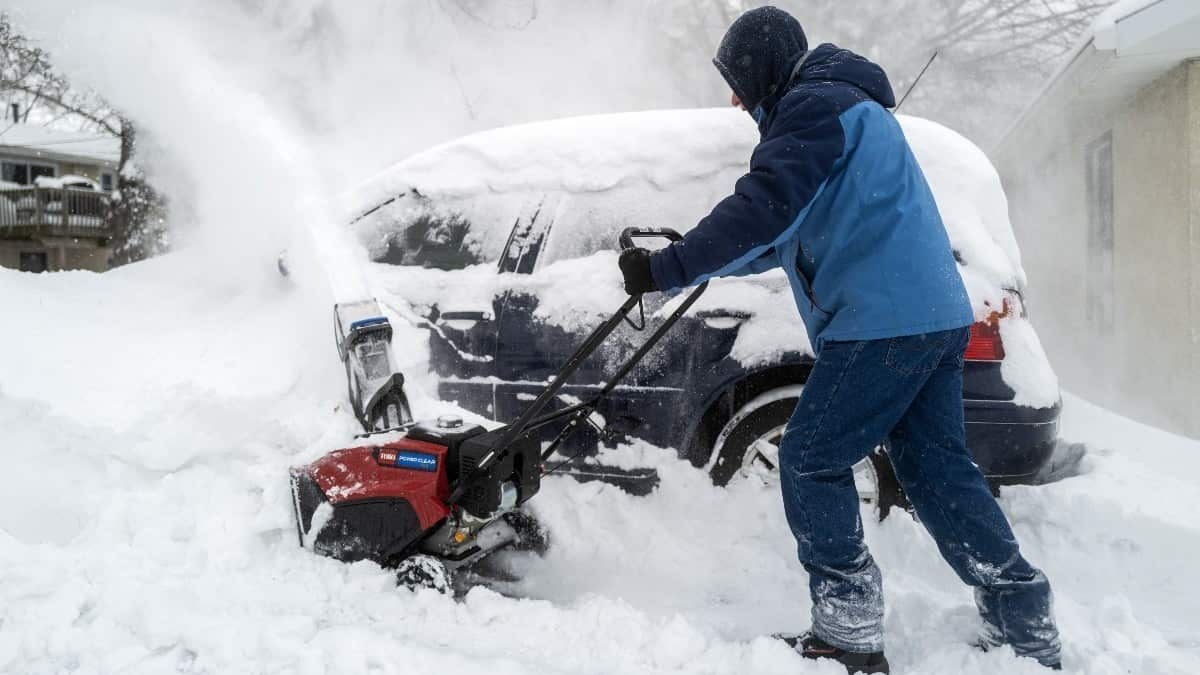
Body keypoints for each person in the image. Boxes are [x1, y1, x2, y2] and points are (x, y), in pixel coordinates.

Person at [617, 6, 1061, 674]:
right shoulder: (843, 106)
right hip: (932, 314)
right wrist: (686, 263)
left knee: (809, 458)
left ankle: (848, 630)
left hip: (884, 323)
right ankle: (1023, 618)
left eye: (738, 81)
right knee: (936, 468)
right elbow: (779, 232)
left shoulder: (812, 107)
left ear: (765, 68)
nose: (735, 99)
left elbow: (760, 208)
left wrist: (663, 269)